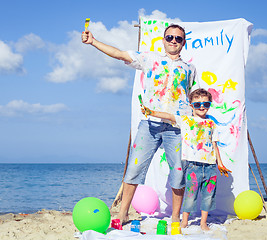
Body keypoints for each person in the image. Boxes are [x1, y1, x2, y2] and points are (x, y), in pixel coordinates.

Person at [82, 24, 198, 224]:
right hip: (150, 125)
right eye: (170, 37)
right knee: (134, 170)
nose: (173, 41)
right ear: (163, 40)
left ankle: (176, 218)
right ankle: (123, 213)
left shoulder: (190, 69)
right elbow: (119, 54)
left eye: (178, 38)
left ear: (183, 42)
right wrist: (93, 42)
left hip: (177, 129)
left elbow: (192, 99)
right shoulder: (150, 59)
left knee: (179, 173)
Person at [142, 88, 231, 231]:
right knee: (190, 195)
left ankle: (203, 222)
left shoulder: (212, 124)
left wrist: (219, 163)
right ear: (191, 105)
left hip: (210, 167)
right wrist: (151, 112)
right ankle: (184, 221)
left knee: (208, 197)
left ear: (209, 105)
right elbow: (169, 116)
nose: (202, 107)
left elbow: (215, 145)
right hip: (192, 166)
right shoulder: (186, 120)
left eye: (206, 104)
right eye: (197, 104)